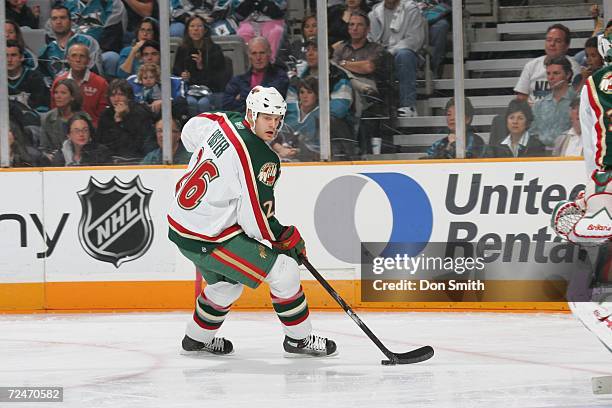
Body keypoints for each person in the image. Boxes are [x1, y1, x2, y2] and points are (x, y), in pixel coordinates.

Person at [167, 85, 337, 357]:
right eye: (266, 117)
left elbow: (192, 128)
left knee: (227, 285)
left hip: (181, 224)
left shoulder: (224, 120)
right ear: (251, 114)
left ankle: (196, 339)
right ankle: (299, 340)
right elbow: (256, 218)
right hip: (208, 236)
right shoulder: (261, 156)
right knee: (285, 272)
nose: (273, 125)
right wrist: (285, 237)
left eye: (277, 118)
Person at [550, 30, 611, 375]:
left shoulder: (597, 84)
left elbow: (599, 146)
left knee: (582, 292)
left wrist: (595, 194)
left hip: (608, 187)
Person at [368, 0, 426, 118]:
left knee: (404, 55)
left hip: (405, 53)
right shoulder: (374, 13)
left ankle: (409, 105)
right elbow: (371, 39)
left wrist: (390, 51)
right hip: (380, 54)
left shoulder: (411, 9)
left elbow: (415, 39)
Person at [172, 15, 227, 115]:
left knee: (203, 103)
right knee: (190, 102)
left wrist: (201, 66)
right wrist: (182, 75)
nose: (196, 29)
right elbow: (175, 71)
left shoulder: (214, 49)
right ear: (187, 30)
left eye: (199, 26)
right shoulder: (182, 49)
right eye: (192, 26)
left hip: (210, 89)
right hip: (189, 89)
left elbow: (220, 76)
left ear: (205, 30)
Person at [514, 23, 581, 104]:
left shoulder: (574, 67)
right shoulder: (531, 65)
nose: (552, 44)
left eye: (558, 41)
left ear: (567, 45)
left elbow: (576, 99)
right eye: (549, 40)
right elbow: (521, 98)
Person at [38, 4, 102, 83]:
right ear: (50, 23)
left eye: (63, 18)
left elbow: (96, 73)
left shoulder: (87, 42)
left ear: (71, 21)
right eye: (54, 19)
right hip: (59, 92)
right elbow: (45, 78)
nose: (58, 22)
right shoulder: (46, 50)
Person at [222, 36, 288, 112]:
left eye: (262, 53)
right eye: (254, 53)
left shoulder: (280, 77)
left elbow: (271, 101)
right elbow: (226, 105)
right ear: (249, 56)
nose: (258, 57)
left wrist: (241, 96)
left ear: (269, 53)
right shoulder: (238, 80)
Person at [96, 79, 155, 161]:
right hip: (110, 161)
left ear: (128, 97)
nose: (116, 99)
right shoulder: (106, 115)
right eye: (112, 95)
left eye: (120, 94)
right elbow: (102, 142)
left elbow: (137, 143)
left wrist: (120, 120)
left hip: (136, 160)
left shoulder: (140, 113)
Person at [51, 43, 108, 127]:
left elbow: (103, 115)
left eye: (82, 56)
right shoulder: (59, 82)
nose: (78, 60)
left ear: (88, 60)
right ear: (68, 59)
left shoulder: (101, 83)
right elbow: (54, 111)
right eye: (74, 55)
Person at [529, 56, 576, 148]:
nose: (551, 77)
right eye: (548, 73)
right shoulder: (539, 105)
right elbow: (532, 133)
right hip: (542, 154)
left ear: (568, 75)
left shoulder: (578, 101)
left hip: (570, 152)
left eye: (556, 73)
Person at [40, 78, 91, 157]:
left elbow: (89, 145)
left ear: (72, 97)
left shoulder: (83, 118)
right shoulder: (47, 118)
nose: (58, 96)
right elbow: (44, 148)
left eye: (63, 93)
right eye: (56, 93)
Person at [6, 40, 49, 113]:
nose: (9, 60)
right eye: (5, 55)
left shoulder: (35, 77)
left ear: (22, 57)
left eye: (13, 55)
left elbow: (41, 108)